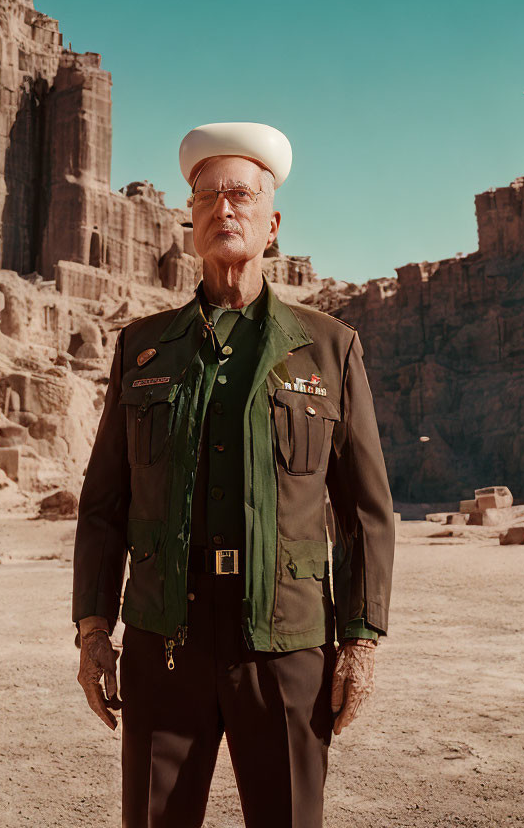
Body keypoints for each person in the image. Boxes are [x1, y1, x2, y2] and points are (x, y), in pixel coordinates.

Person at [72, 122, 396, 827]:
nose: (225, 209)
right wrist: (93, 628)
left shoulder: (330, 349)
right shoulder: (142, 348)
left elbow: (366, 512)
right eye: (208, 196)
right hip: (164, 639)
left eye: (242, 195)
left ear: (271, 223)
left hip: (287, 645)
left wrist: (361, 643)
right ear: (189, 220)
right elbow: (104, 503)